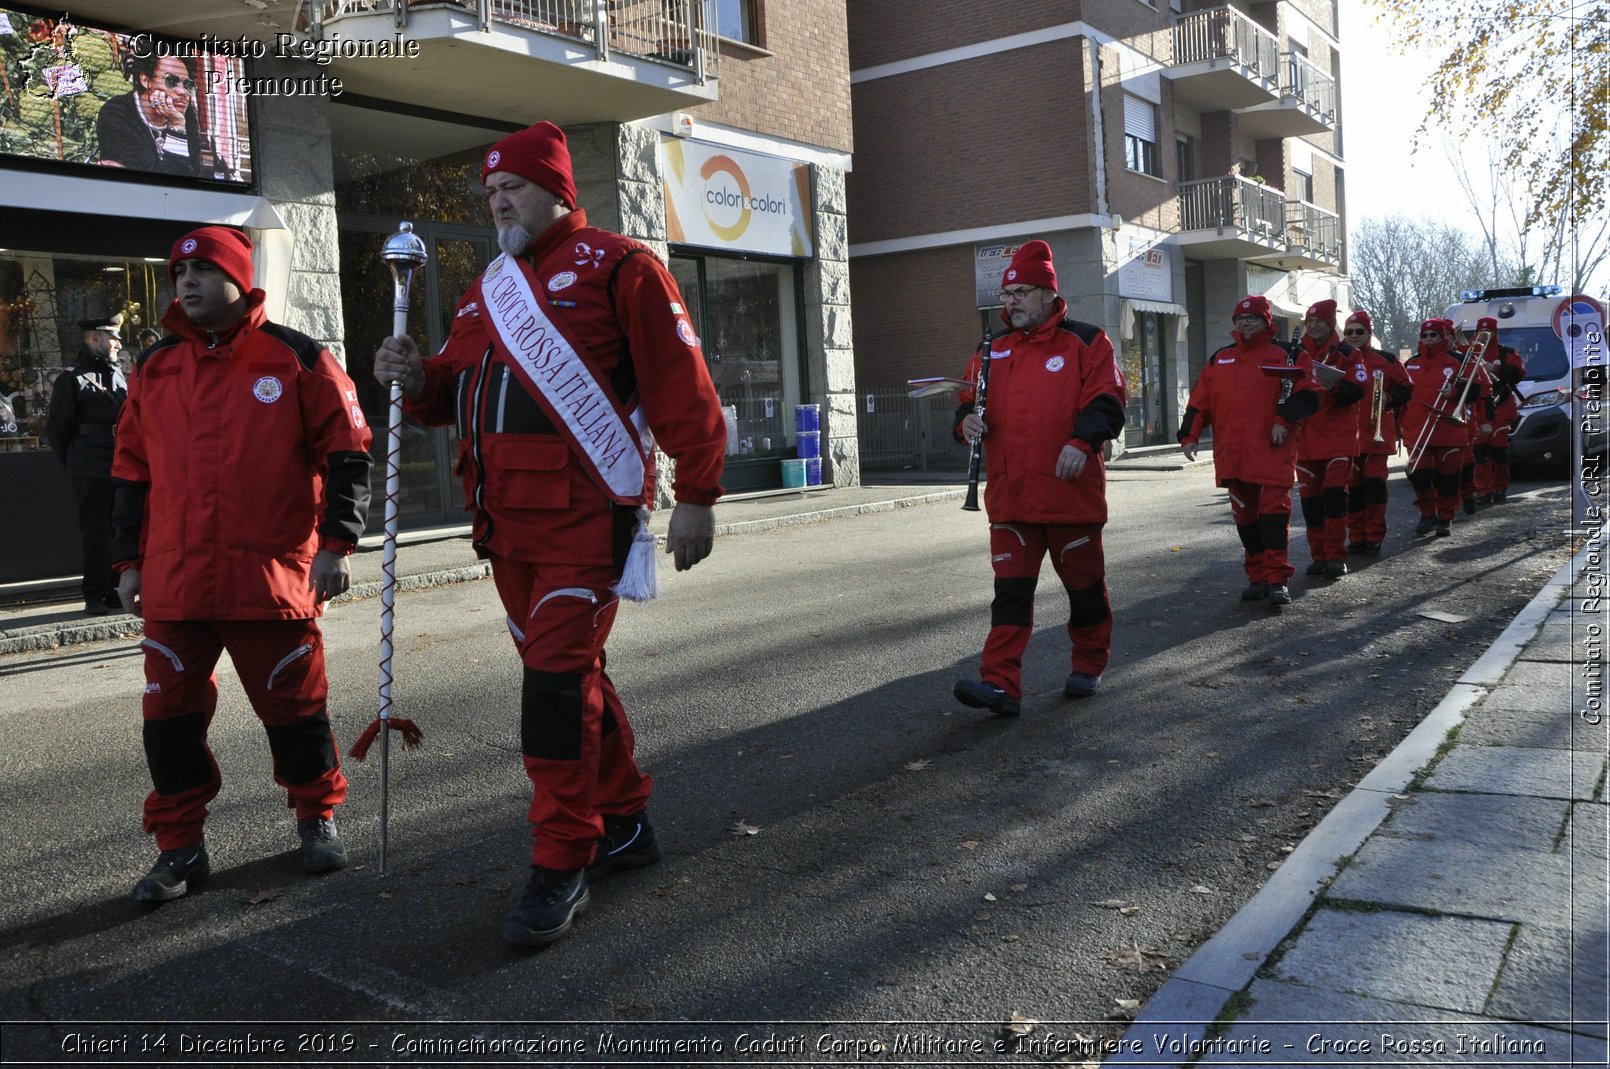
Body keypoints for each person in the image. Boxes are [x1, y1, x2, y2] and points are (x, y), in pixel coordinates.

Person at [371, 121, 727, 947]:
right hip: (505, 525)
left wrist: (699, 492)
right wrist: (414, 376)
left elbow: (683, 385)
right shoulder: (485, 289)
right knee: (573, 676)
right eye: (491, 193)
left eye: (514, 189)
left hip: (585, 518)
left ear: (558, 189)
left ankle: (564, 858)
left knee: (555, 689)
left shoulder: (621, 266)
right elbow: (450, 390)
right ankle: (629, 819)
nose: (499, 202)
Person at [111, 226, 373, 902]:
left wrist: (337, 545)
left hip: (271, 577)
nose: (187, 282)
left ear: (240, 277)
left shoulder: (297, 358)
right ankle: (180, 848)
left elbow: (349, 451)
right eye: (178, 273)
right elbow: (130, 473)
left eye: (201, 269)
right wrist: (127, 563)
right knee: (167, 719)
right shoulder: (154, 368)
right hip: (175, 583)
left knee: (295, 708)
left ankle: (317, 816)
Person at [948, 240, 1126, 716]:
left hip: (1070, 497)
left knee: (1085, 593)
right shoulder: (991, 350)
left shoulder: (1088, 341)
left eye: (1022, 293)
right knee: (1009, 596)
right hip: (1011, 498)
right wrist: (965, 422)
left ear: (1049, 293)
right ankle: (1000, 684)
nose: (1012, 303)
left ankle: (1089, 663)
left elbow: (1108, 401)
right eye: (1007, 295)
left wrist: (1081, 442)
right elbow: (968, 401)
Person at [1178, 296, 1319, 608]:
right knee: (1245, 520)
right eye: (1240, 318)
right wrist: (1189, 435)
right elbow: (1200, 402)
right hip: (1233, 453)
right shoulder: (1221, 358)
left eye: (1252, 318)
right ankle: (1256, 577)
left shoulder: (1288, 354)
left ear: (1266, 321)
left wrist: (1284, 420)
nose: (1244, 323)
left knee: (1272, 519)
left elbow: (1309, 394)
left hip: (1272, 450)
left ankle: (1276, 580)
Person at [45, 312, 128, 615]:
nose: (119, 343)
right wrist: (75, 463)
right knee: (96, 532)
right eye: (113, 337)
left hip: (121, 461)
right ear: (95, 339)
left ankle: (118, 590)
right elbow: (58, 429)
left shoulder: (118, 374)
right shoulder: (71, 378)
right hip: (90, 463)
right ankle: (95, 593)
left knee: (121, 527)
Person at [1290, 299, 1367, 578]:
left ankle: (1336, 555)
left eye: (1318, 321)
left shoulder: (1348, 353)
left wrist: (1333, 387)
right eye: (1310, 322)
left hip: (1338, 438)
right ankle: (1318, 555)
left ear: (1329, 323)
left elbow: (1358, 390)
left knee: (1334, 499)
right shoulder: (1297, 353)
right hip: (1306, 440)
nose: (1313, 326)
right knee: (1311, 503)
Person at [1400, 318, 1491, 538]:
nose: (1429, 339)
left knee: (1448, 476)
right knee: (1417, 474)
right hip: (1417, 427)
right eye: (1425, 335)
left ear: (1443, 337)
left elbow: (1477, 391)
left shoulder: (1460, 360)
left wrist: (1456, 393)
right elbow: (1402, 395)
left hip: (1448, 427)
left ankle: (1446, 516)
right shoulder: (1411, 362)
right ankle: (1427, 512)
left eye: (1434, 335)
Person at [1342, 310, 1411, 556]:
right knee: (1352, 490)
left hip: (1376, 434)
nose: (1353, 336)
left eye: (1359, 331)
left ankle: (1374, 535)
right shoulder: (1339, 358)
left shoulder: (1387, 360)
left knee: (1375, 487)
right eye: (1349, 332)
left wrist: (1388, 400)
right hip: (1347, 436)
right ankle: (1357, 535)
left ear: (1369, 333)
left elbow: (1406, 389)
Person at [95, 53, 202, 177]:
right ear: (146, 80)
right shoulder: (116, 112)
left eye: (188, 85)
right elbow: (157, 181)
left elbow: (191, 176)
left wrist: (178, 126)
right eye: (171, 81)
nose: (182, 92)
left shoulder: (185, 116)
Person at [1469, 316, 1526, 505]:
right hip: (1478, 410)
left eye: (1489, 332)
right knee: (1479, 453)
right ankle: (1483, 489)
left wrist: (1494, 368)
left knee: (1499, 452)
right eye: (1481, 332)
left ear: (1496, 333)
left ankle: (1500, 488)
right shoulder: (1469, 353)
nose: (1484, 336)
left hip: (1501, 409)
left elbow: (1518, 374)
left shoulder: (1506, 353)